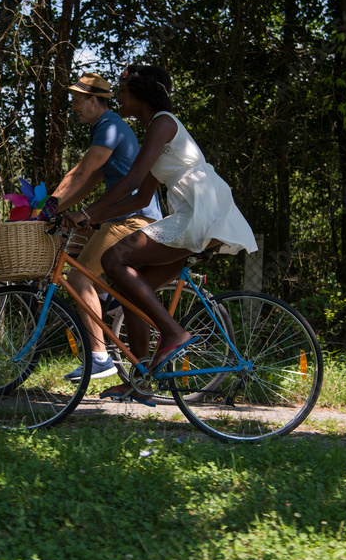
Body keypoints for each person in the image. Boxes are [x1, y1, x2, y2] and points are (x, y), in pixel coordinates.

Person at [63, 65, 257, 404]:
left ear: (140, 94)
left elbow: (132, 181)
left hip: (200, 212)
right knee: (136, 295)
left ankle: (174, 332)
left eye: (122, 93)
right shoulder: (156, 129)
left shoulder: (162, 123)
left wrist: (88, 211)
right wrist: (90, 219)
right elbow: (138, 197)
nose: (118, 98)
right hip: (194, 212)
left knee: (113, 258)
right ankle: (141, 380)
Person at [51, 72, 162, 381]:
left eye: (76, 101)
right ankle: (107, 303)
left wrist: (42, 209)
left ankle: (99, 358)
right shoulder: (108, 127)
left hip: (132, 219)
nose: (73, 107)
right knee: (73, 247)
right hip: (123, 217)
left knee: (76, 276)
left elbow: (80, 172)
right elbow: (93, 180)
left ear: (93, 100)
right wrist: (56, 210)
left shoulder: (110, 127)